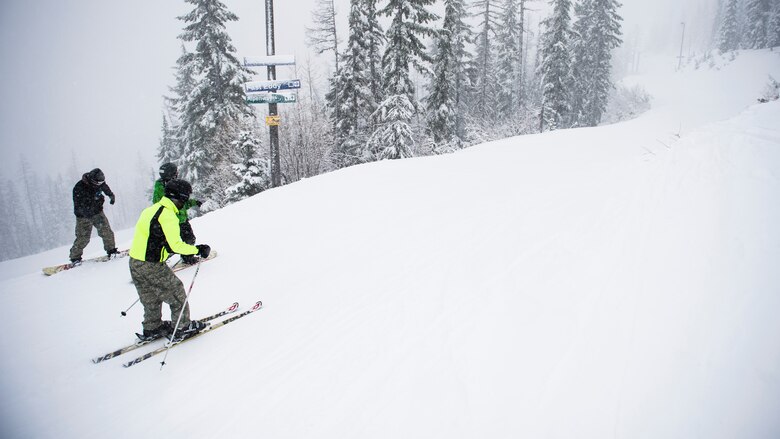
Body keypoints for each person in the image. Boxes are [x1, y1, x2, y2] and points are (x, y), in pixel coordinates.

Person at [129, 179, 212, 341]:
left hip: (135, 263)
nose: (185, 202)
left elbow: (151, 237)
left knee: (150, 296)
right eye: (185, 198)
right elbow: (176, 245)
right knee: (177, 292)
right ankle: (182, 327)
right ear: (180, 197)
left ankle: (152, 327)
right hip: (151, 264)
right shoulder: (168, 215)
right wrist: (198, 249)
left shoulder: (150, 210)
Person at [152, 163, 203, 265]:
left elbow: (182, 202)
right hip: (169, 221)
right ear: (170, 174)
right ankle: (157, 262)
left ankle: (187, 257)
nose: (177, 174)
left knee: (189, 239)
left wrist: (194, 202)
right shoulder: (162, 189)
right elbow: (163, 205)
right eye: (175, 172)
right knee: (168, 244)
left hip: (182, 220)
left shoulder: (175, 185)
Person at [69, 168, 119, 265]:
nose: (100, 184)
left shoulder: (99, 183)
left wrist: (111, 195)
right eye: (98, 183)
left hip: (97, 213)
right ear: (92, 180)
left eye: (101, 182)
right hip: (83, 216)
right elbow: (79, 206)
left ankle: (111, 250)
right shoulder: (79, 188)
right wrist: (95, 200)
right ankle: (75, 257)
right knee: (83, 238)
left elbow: (104, 187)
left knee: (106, 232)